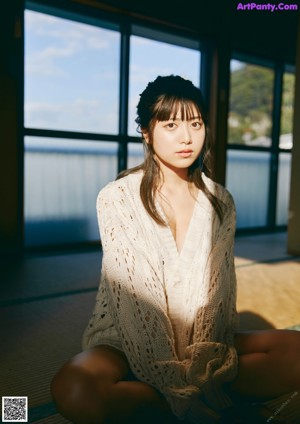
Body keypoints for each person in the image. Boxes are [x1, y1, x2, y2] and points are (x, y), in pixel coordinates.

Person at [51, 75, 300, 424]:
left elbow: (220, 298)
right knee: (75, 387)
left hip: (206, 346)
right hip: (127, 344)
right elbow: (138, 306)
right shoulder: (118, 197)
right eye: (170, 124)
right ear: (146, 132)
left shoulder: (220, 201)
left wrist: (200, 369)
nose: (186, 137)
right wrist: (178, 385)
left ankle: (171, 405)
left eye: (195, 124)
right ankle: (203, 402)